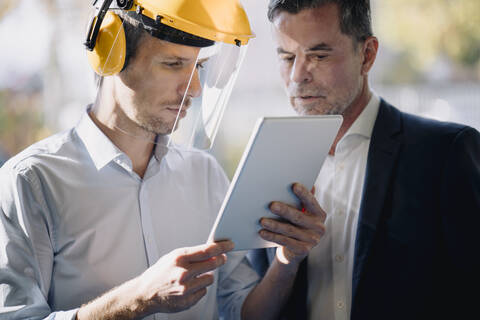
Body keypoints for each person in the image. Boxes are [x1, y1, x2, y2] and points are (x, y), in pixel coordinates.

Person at [0, 1, 264, 319]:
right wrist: (139, 298)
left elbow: (241, 309)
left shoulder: (205, 173)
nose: (193, 89)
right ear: (110, 56)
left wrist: (290, 262)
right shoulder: (32, 182)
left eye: (199, 68)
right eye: (173, 64)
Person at [248, 1, 480, 319]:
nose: (298, 76)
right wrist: (286, 263)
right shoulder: (265, 163)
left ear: (367, 55)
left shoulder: (446, 153)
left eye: (318, 55)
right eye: (287, 57)